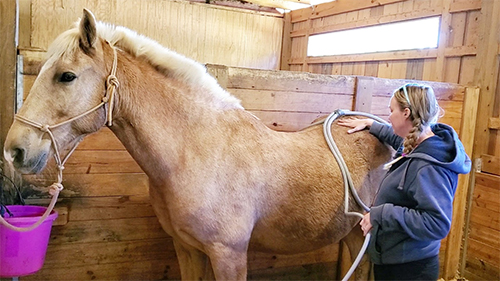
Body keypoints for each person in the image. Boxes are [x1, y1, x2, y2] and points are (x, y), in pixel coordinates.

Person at [338, 83, 471, 281]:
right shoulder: (420, 145)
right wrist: (371, 125)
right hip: (398, 260)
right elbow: (401, 141)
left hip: (409, 269)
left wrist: (381, 214)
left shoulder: (429, 166)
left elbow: (437, 223)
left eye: (392, 111)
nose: (389, 116)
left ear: (406, 113)